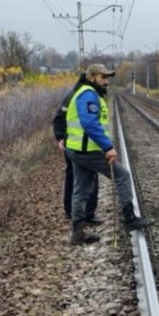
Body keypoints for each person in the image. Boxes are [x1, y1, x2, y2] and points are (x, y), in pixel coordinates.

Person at [66, 64, 154, 245]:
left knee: (80, 190)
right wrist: (107, 147)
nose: (106, 81)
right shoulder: (88, 94)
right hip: (87, 151)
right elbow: (90, 123)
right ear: (91, 77)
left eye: (107, 78)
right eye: (102, 77)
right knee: (122, 175)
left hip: (77, 149)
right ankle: (130, 219)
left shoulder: (87, 92)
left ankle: (77, 233)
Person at [53, 73, 100, 231]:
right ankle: (76, 212)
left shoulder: (80, 95)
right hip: (74, 144)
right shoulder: (75, 96)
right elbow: (58, 118)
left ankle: (85, 213)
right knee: (80, 177)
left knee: (81, 177)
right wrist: (60, 138)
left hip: (81, 144)